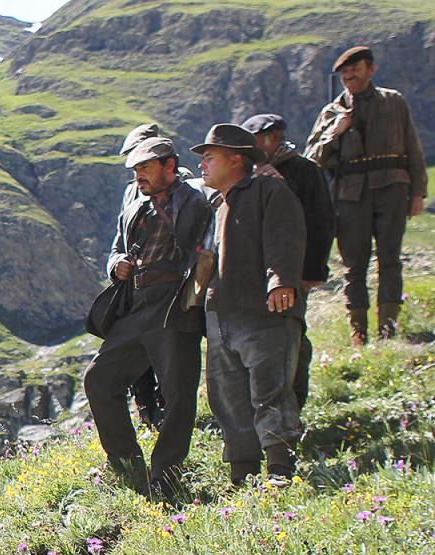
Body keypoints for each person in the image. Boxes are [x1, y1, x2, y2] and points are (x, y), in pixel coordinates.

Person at [82, 136, 212, 499]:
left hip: (174, 302)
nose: (139, 175)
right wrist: (115, 265)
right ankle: (128, 468)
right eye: (136, 169)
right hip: (136, 301)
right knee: (99, 380)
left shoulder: (195, 199)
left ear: (170, 166)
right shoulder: (136, 204)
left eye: (146, 167)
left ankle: (166, 474)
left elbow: (206, 250)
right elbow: (116, 248)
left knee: (177, 392)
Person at [194, 124, 307, 486]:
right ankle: (242, 473)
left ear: (236, 160)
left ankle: (280, 468)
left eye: (209, 158)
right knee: (227, 397)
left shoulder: (269, 191)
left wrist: (281, 281)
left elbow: (285, 237)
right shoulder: (215, 204)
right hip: (221, 313)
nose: (202, 166)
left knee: (271, 390)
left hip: (265, 312)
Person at [305, 45, 427, 345]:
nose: (349, 76)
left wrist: (418, 193)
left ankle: (388, 327)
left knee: (390, 260)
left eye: (355, 70)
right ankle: (358, 330)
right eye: (345, 73)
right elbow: (311, 157)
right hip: (350, 195)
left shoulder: (393, 102)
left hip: (392, 189)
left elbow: (413, 148)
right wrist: (337, 130)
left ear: (370, 70)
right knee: (353, 265)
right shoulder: (332, 112)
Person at [243, 113, 336, 407]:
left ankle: (292, 404)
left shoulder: (304, 170)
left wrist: (312, 271)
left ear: (272, 139)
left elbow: (320, 221)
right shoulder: (245, 173)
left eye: (254, 141)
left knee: (291, 335)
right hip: (252, 272)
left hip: (291, 272)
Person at [119, 124, 167, 428]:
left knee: (167, 357)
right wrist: (116, 265)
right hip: (134, 287)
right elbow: (119, 239)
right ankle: (148, 413)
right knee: (136, 358)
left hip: (168, 291)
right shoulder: (129, 192)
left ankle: (171, 414)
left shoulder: (182, 184)